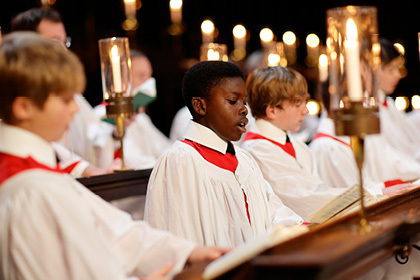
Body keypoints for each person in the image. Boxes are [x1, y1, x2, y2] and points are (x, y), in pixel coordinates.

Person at [0, 31, 228, 280]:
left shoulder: (37, 173)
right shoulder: (30, 189)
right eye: (65, 100)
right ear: (23, 107)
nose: (76, 108)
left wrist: (188, 253)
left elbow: (114, 232)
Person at [144, 61, 304, 247]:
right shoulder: (181, 160)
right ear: (200, 106)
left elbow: (272, 210)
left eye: (245, 101)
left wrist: (300, 230)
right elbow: (178, 238)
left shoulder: (244, 160)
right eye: (233, 101)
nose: (244, 109)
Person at [11, 6, 120, 177]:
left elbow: (92, 134)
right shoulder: (15, 92)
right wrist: (84, 169)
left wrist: (114, 131)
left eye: (65, 41)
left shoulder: (71, 93)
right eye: (55, 42)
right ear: (27, 45)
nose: (64, 50)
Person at [241, 66, 347, 220]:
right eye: (298, 104)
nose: (306, 111)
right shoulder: (257, 151)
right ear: (272, 111)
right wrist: (371, 194)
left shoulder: (297, 145)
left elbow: (318, 188)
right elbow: (303, 198)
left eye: (305, 102)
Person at [375, 38, 420, 162]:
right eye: (391, 70)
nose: (398, 75)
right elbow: (396, 154)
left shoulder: (387, 102)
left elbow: (406, 131)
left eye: (397, 68)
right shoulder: (372, 109)